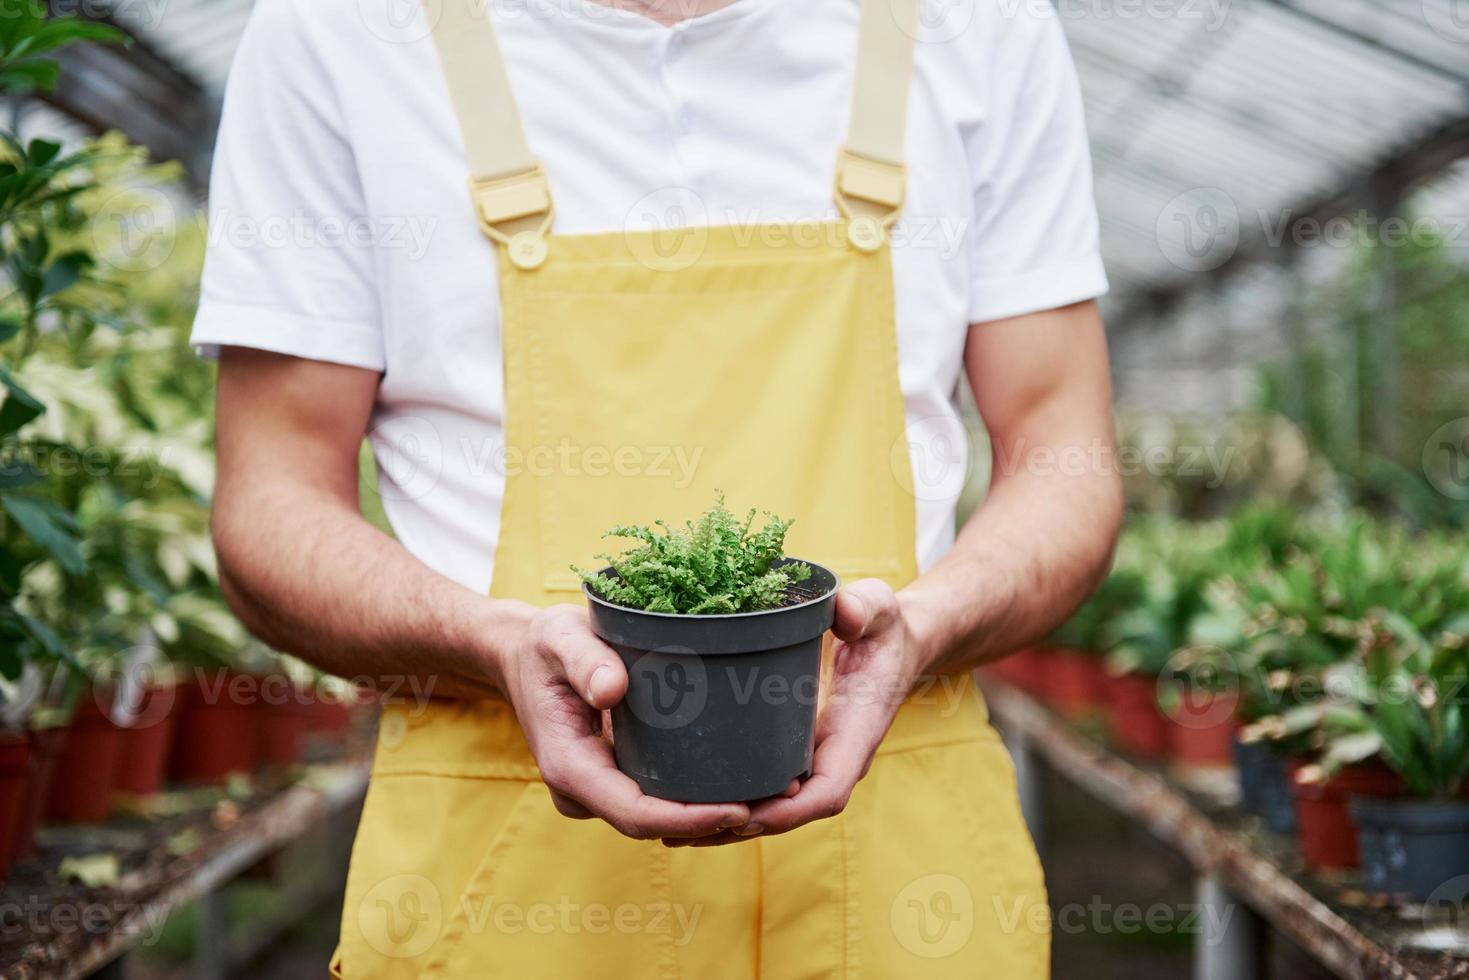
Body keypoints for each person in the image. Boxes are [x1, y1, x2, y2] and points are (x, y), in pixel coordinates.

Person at [195, 0, 1123, 975]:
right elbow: (271, 499)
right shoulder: (338, 32)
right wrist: (495, 642)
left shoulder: (977, 24)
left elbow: (1063, 460)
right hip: (513, 890)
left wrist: (924, 626)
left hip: (900, 885)